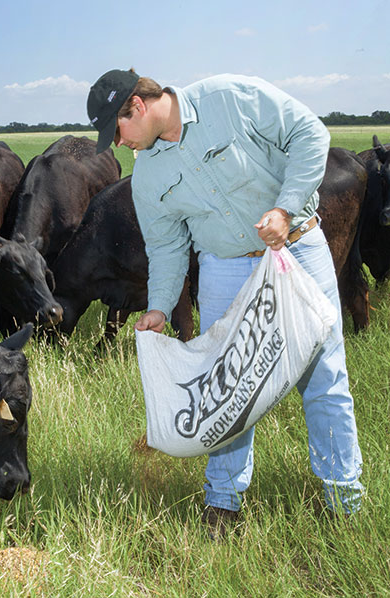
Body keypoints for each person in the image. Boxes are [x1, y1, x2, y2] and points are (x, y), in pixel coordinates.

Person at [86, 68, 364, 536]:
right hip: (226, 267)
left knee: (324, 376)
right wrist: (158, 306)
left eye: (116, 130)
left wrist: (286, 205)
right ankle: (224, 500)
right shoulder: (147, 177)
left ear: (136, 106)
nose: (117, 144)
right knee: (228, 387)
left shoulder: (230, 97)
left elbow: (310, 134)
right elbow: (168, 247)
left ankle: (343, 500)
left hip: (297, 245)